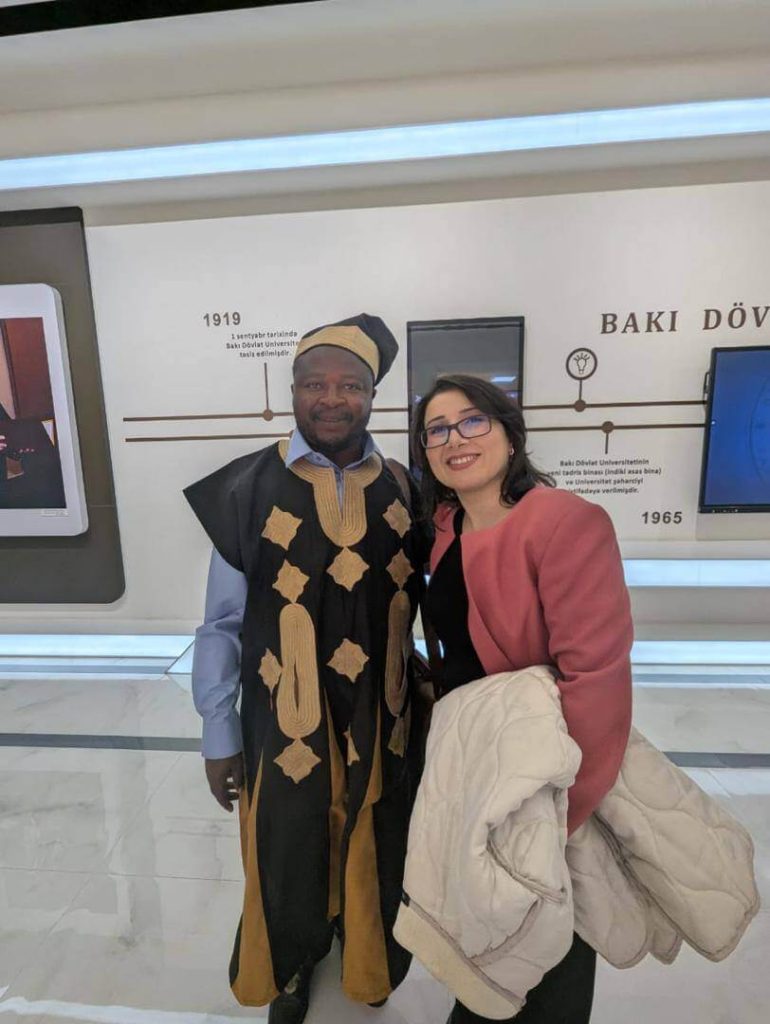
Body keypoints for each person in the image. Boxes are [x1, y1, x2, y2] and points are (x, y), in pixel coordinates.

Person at [184, 314, 428, 1024]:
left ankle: (368, 949)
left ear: (373, 395)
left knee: (379, 832)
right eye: (314, 384)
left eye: (350, 385)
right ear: (290, 391)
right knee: (287, 842)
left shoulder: (407, 488)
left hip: (381, 708)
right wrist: (217, 733)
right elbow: (221, 623)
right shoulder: (245, 488)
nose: (331, 398)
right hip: (282, 713)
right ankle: (290, 964)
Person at [410, 374, 633, 1024]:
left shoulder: (565, 522)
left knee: (551, 931)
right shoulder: (447, 527)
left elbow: (596, 678)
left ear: (510, 434)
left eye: (472, 421)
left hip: (545, 774)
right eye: (437, 430)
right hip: (478, 762)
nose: (455, 439)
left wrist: (557, 812)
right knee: (493, 926)